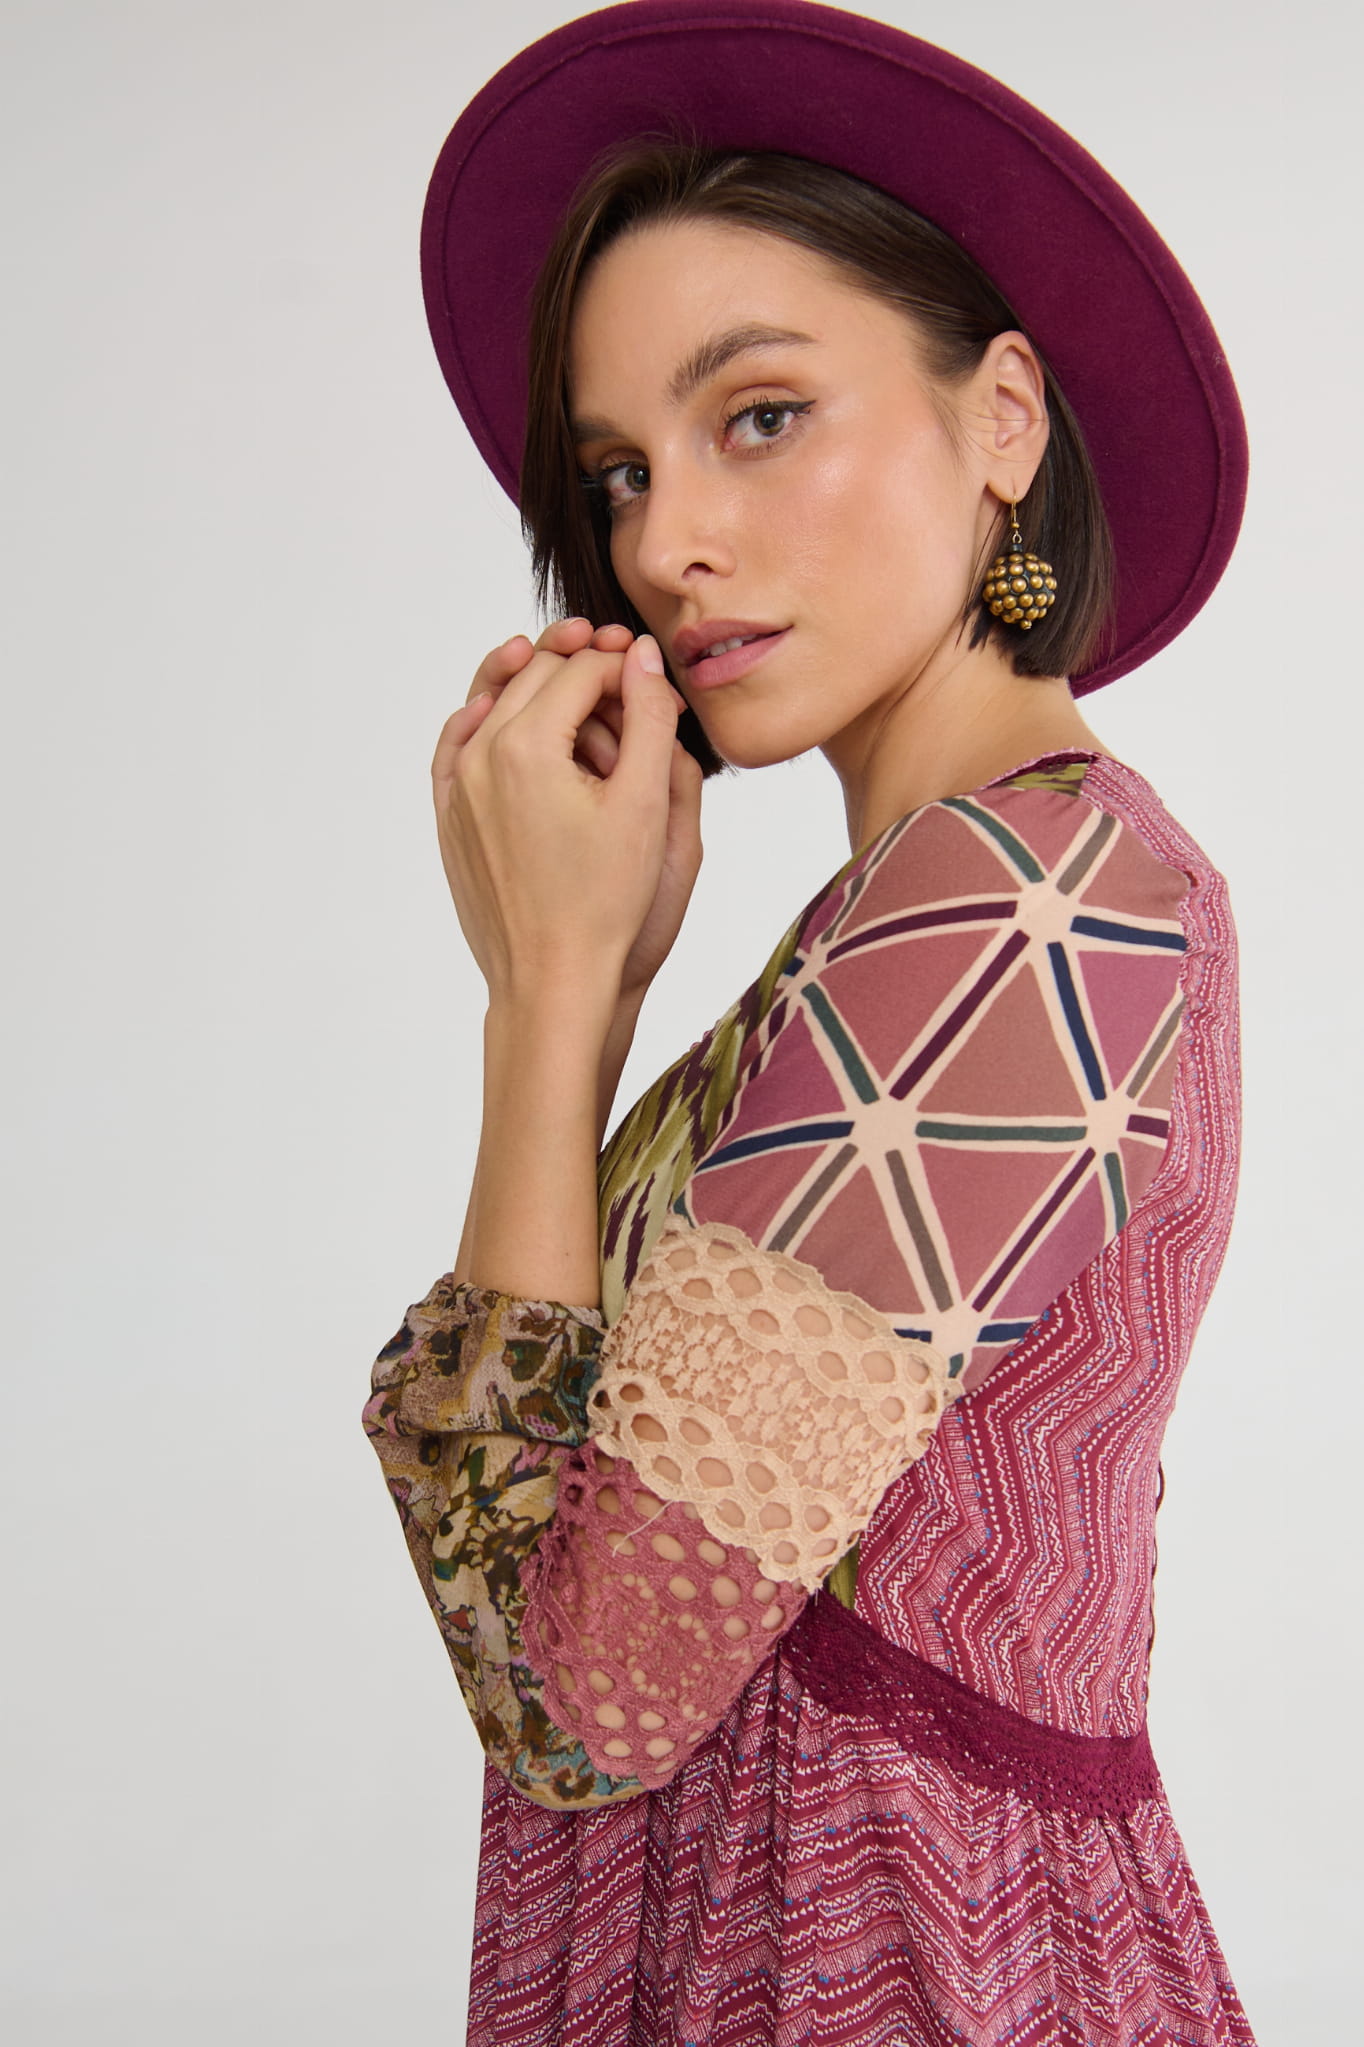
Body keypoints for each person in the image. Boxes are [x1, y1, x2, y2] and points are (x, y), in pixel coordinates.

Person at [362, 3, 1255, 2041]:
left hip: (885, 1969)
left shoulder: (1025, 913)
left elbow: (579, 1694)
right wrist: (581, 1001)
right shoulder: (938, 905)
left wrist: (549, 995)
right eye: (619, 469)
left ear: (1002, 418)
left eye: (757, 415)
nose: (664, 542)